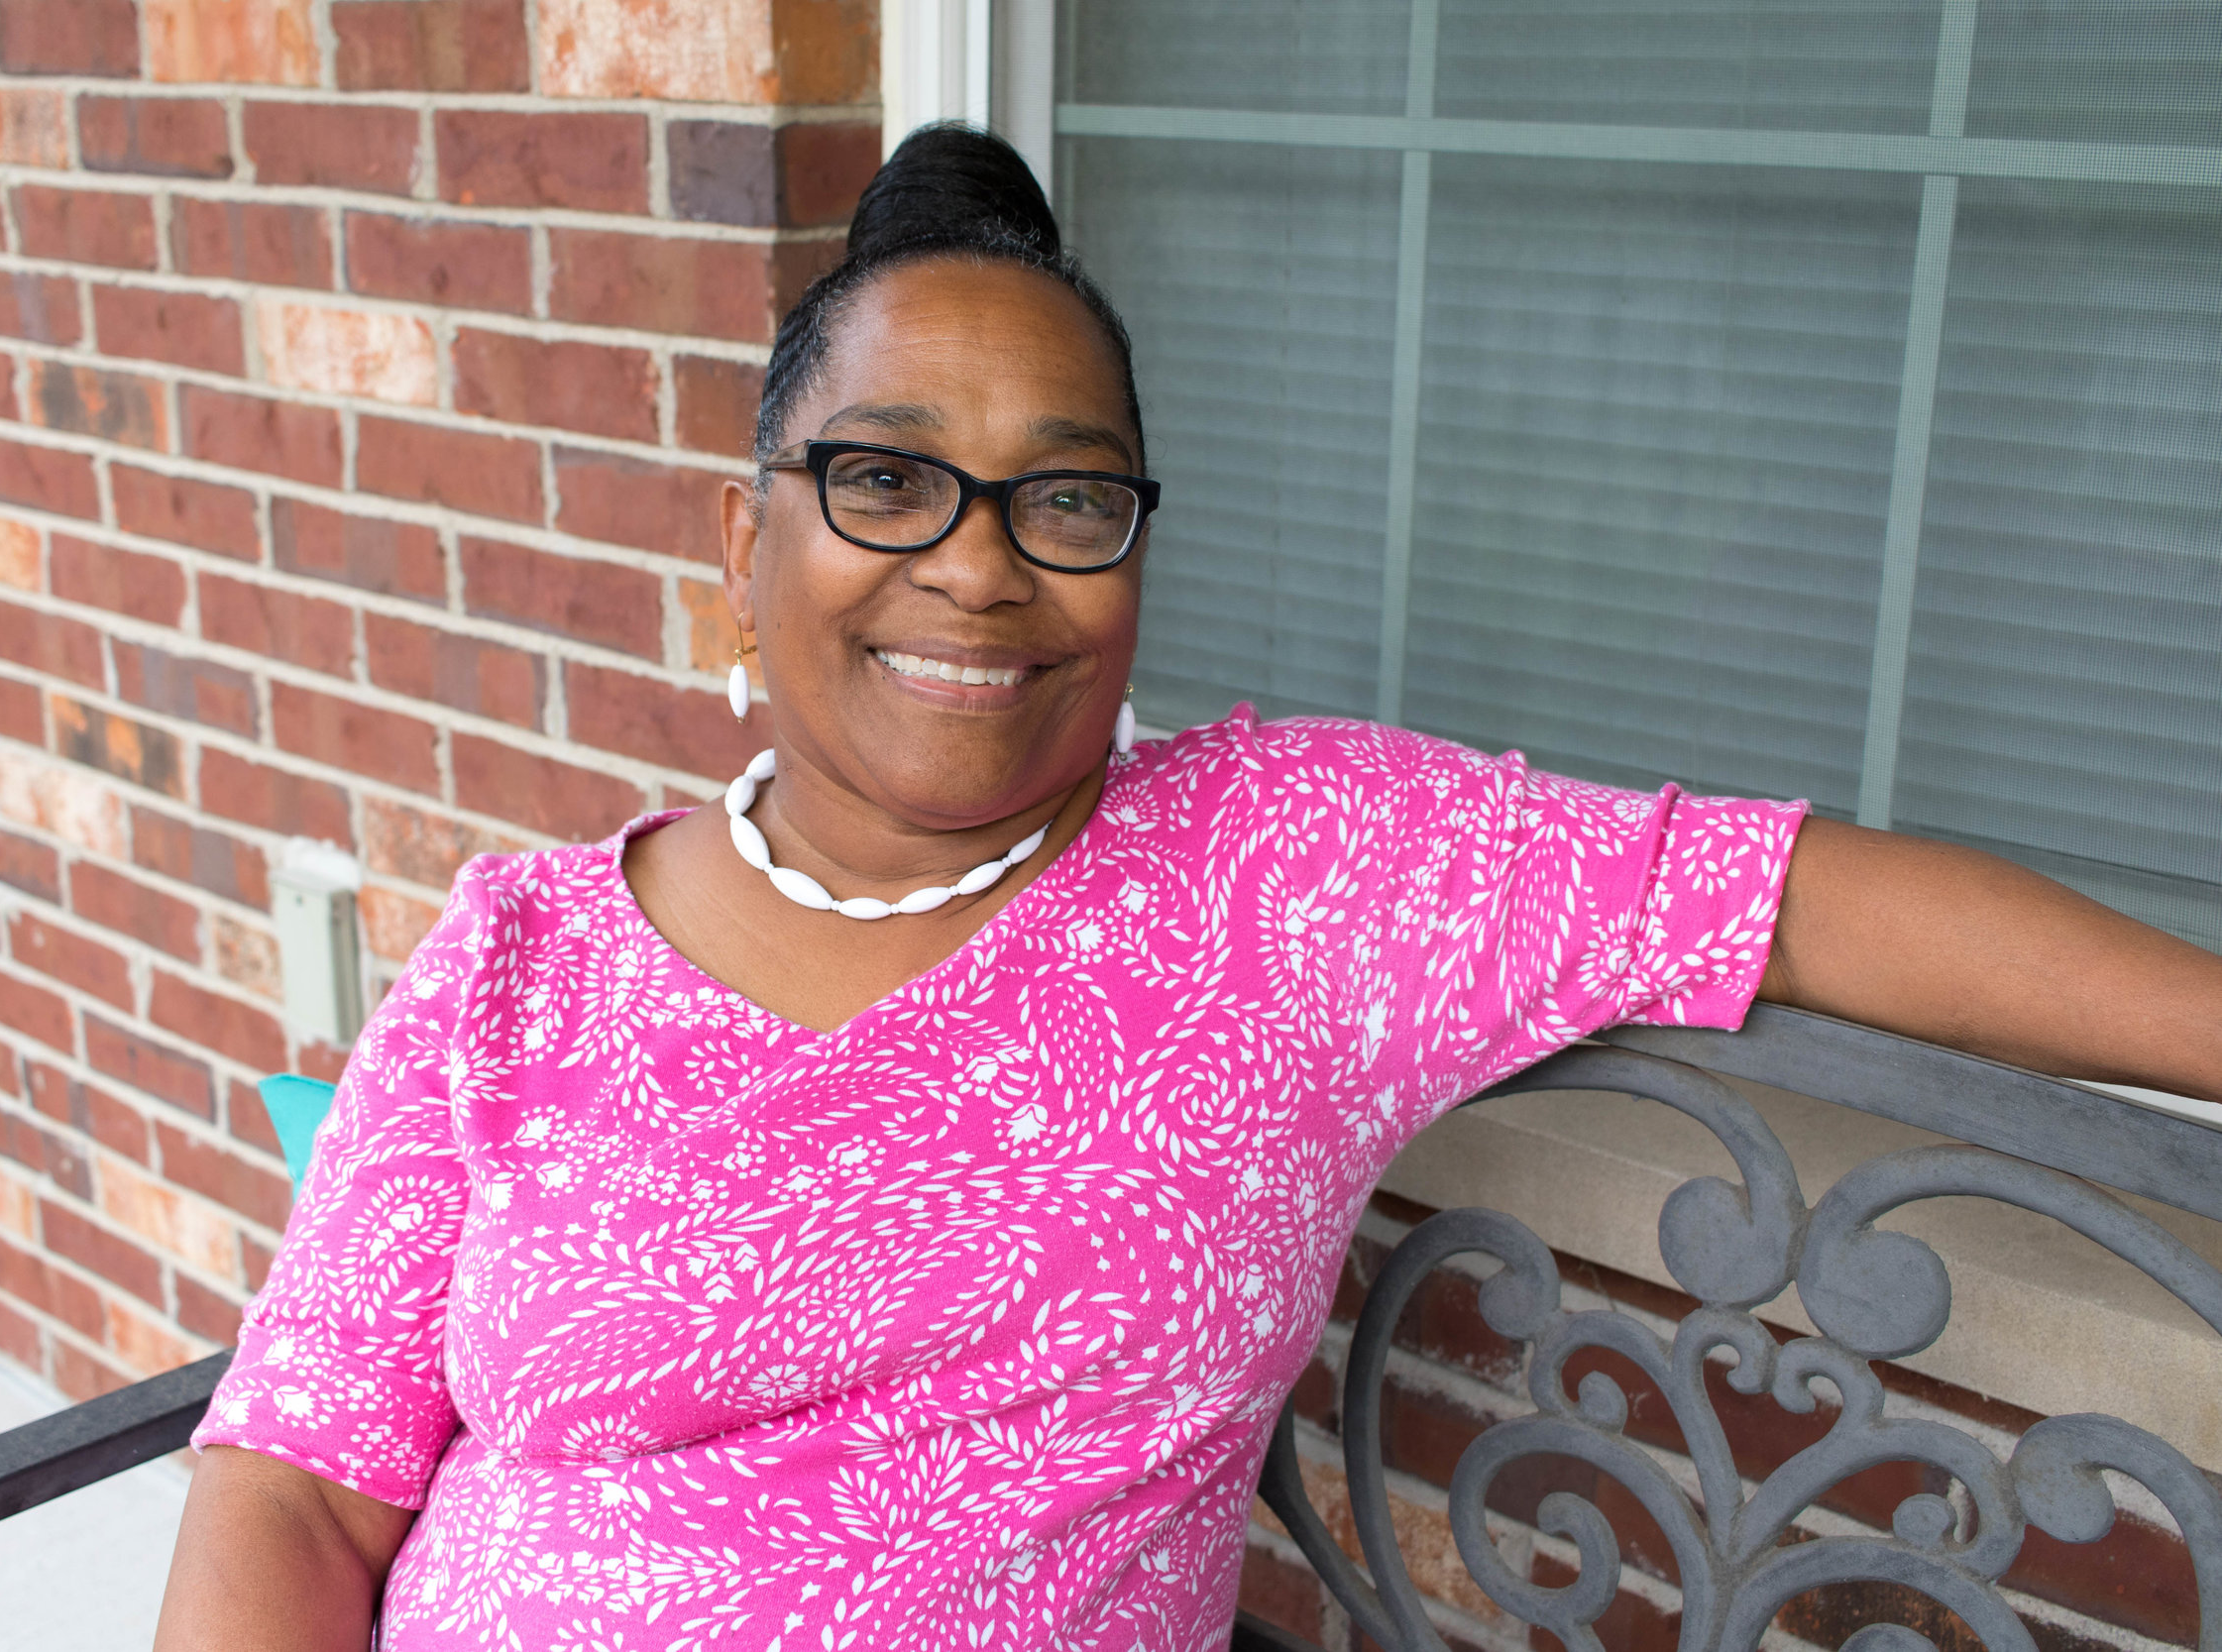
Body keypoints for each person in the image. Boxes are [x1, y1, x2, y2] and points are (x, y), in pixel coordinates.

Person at [155, 125, 2222, 1652]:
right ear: (741, 540)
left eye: (1065, 496)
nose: (976, 565)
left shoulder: (1285, 874)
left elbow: (1790, 899)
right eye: (882, 477)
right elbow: (294, 1493)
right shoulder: (519, 952)